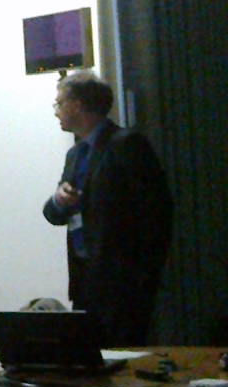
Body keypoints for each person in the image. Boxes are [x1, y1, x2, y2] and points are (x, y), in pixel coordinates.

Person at [42, 69, 173, 344]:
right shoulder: (75, 154)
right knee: (90, 356)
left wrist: (145, 276)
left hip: (123, 282)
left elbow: (156, 212)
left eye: (59, 103)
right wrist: (59, 200)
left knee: (123, 356)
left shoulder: (126, 144)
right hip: (85, 280)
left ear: (77, 105)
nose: (56, 112)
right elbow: (53, 215)